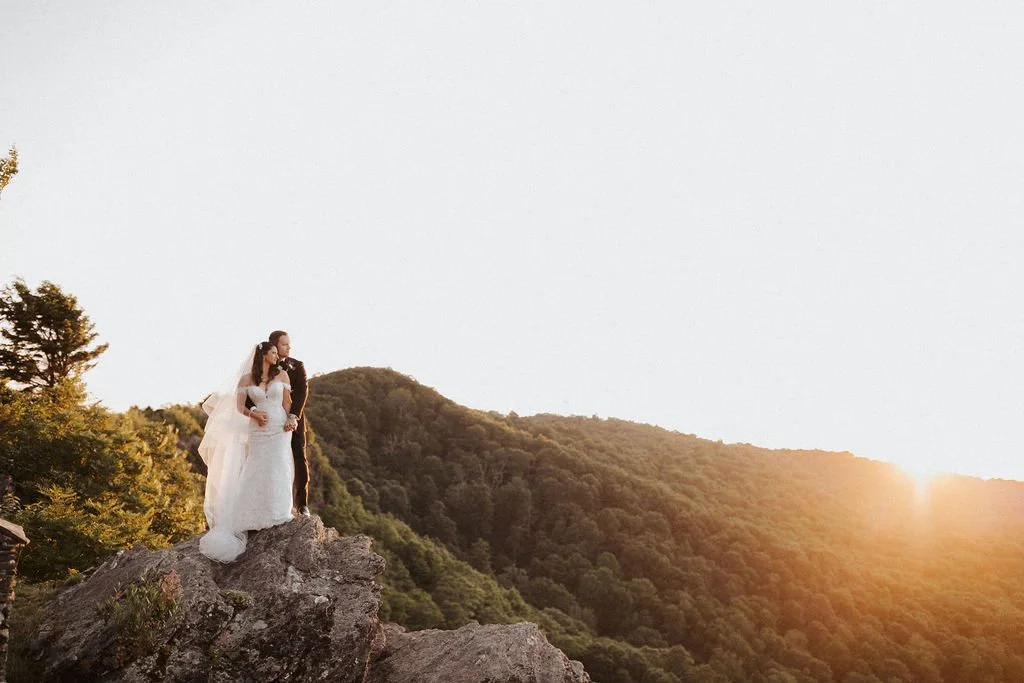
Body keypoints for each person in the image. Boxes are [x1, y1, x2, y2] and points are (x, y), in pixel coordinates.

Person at [198, 341, 296, 563]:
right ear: (263, 355)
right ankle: (251, 515)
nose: (276, 355)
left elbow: (288, 402)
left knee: (279, 465)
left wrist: (291, 419)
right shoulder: (247, 380)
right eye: (272, 352)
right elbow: (239, 406)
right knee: (256, 466)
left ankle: (279, 511)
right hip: (258, 427)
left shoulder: (282, 375)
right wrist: (253, 414)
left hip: (279, 427)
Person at [247, 330, 310, 516]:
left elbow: (301, 392)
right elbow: (248, 393)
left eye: (289, 344)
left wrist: (293, 416)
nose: (289, 347)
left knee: (299, 456)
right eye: (284, 344)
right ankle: (263, 503)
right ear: (273, 345)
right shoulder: (259, 369)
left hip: (292, 420)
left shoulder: (297, 366)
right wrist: (254, 412)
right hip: (266, 423)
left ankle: (302, 504)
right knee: (267, 460)